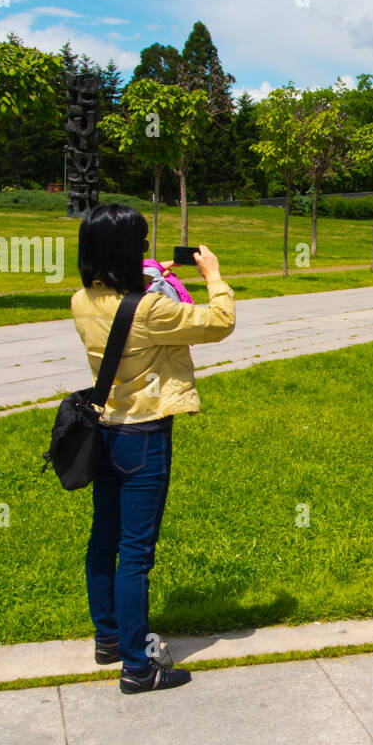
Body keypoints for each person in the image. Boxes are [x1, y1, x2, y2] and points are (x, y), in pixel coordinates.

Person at [71, 204, 236, 694]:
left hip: (105, 429)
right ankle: (138, 668)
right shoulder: (150, 310)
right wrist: (213, 274)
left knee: (104, 541)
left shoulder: (81, 299)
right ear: (125, 251)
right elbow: (220, 321)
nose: (146, 248)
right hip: (143, 437)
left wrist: (149, 281)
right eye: (140, 243)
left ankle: (108, 638)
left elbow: (128, 310)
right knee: (136, 554)